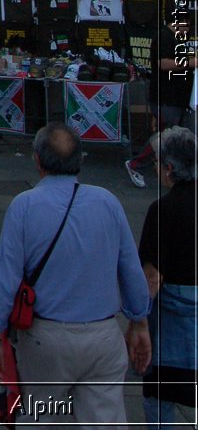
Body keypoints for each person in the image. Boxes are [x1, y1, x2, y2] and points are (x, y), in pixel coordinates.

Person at [0, 122, 151, 427]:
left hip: (45, 340)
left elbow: (4, 280)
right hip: (103, 336)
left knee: (41, 418)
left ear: (37, 161)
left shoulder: (24, 206)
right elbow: (131, 270)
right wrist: (139, 321)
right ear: (80, 161)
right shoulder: (107, 202)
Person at [137, 126, 196, 428]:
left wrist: (138, 324)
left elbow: (151, 279)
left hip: (174, 325)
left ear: (169, 168)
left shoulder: (163, 210)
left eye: (157, 164)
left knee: (159, 397)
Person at [125, 19, 197, 187]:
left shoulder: (179, 39)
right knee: (166, 137)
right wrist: (192, 62)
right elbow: (163, 63)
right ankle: (136, 164)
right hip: (166, 97)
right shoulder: (164, 37)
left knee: (179, 136)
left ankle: (177, 171)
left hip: (180, 98)